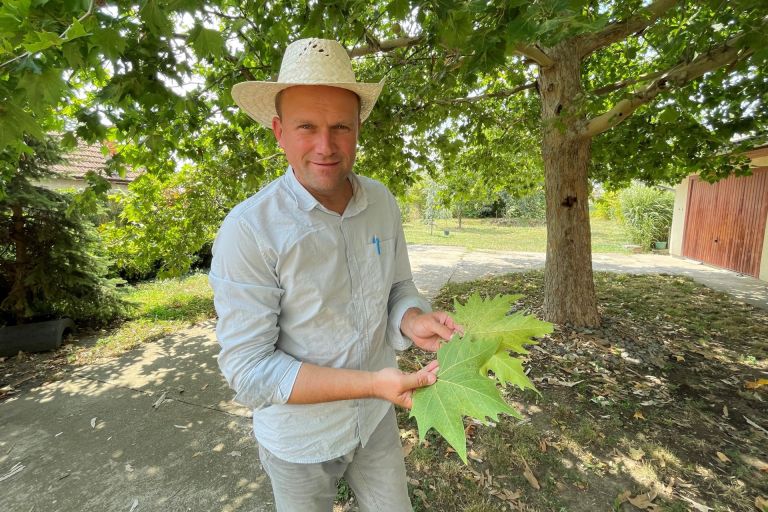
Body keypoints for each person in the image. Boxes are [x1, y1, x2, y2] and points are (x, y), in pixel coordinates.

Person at [208, 38, 461, 511]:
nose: (325, 146)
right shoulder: (249, 230)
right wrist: (372, 383)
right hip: (300, 442)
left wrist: (411, 319)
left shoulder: (381, 201)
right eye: (307, 126)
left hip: (376, 421)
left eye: (340, 126)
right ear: (278, 131)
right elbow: (249, 372)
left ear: (359, 128)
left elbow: (398, 287)